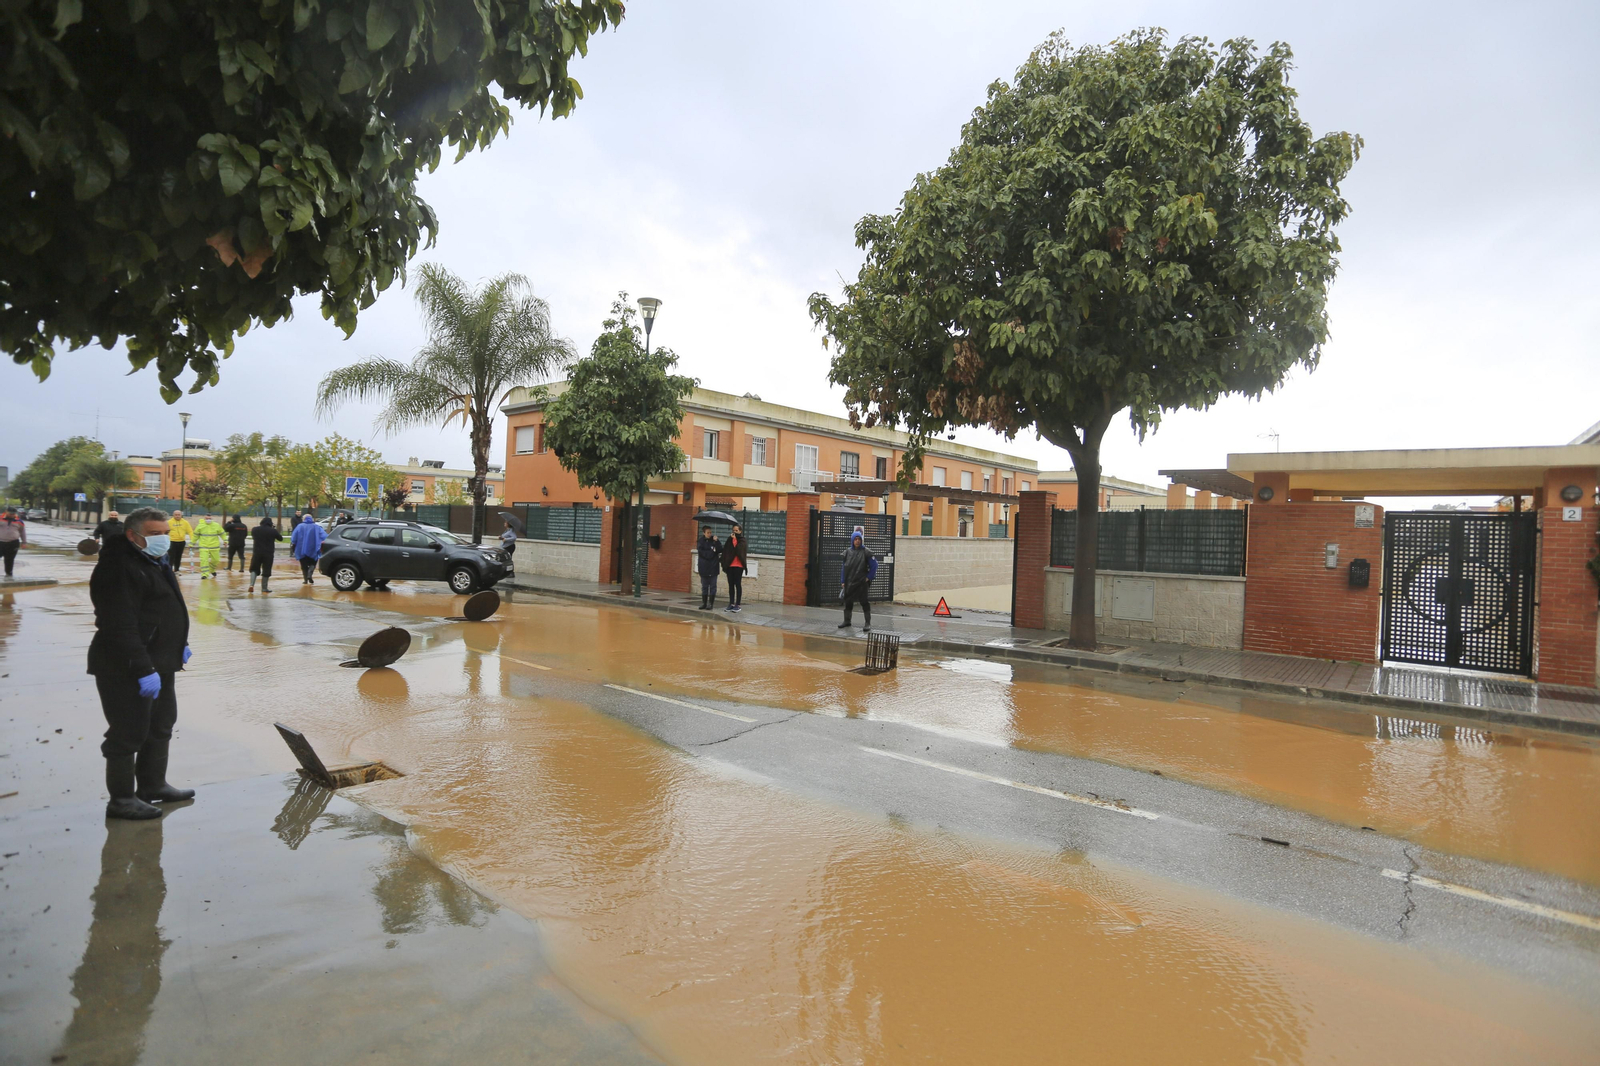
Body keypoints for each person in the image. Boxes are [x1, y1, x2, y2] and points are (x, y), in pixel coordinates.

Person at [87, 506, 194, 819]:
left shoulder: (154, 560)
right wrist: (143, 669)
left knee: (161, 725)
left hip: (160, 661)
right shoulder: (118, 567)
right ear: (132, 535)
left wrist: (179, 644)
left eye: (165, 533)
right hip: (125, 665)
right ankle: (121, 800)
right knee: (128, 731)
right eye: (154, 534)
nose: (163, 539)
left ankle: (153, 785)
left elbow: (159, 610)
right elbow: (119, 624)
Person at [838, 526, 877, 631]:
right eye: (855, 539)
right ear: (852, 540)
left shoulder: (866, 552)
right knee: (848, 602)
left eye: (859, 539)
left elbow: (874, 565)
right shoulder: (847, 552)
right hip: (849, 582)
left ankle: (867, 623)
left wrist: (869, 577)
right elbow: (844, 567)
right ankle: (847, 621)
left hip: (861, 582)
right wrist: (843, 581)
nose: (857, 541)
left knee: (864, 602)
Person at [289, 513, 327, 584]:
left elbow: (294, 538)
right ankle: (310, 574)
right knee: (313, 563)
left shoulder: (299, 526)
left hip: (301, 549)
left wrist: (293, 545)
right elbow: (324, 536)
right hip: (313, 549)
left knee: (303, 565)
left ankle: (305, 580)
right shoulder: (317, 527)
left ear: (304, 519)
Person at [248, 516, 283, 593]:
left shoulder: (255, 530)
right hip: (268, 553)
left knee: (254, 568)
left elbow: (254, 537)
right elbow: (280, 538)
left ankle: (251, 585)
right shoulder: (272, 531)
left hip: (257, 552)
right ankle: (264, 588)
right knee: (266, 570)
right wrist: (273, 529)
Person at [719, 522, 747, 612]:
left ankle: (737, 604)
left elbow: (739, 550)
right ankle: (731, 603)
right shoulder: (729, 540)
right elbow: (726, 551)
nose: (735, 532)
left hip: (738, 566)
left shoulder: (742, 540)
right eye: (733, 530)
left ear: (740, 531)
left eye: (736, 530)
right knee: (731, 585)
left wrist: (735, 540)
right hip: (730, 565)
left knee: (737, 584)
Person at [696, 525, 721, 610]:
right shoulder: (700, 542)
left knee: (713, 586)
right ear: (704, 533)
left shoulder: (714, 540)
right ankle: (704, 603)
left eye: (710, 532)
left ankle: (711, 603)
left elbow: (720, 549)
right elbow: (704, 553)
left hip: (713, 567)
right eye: (708, 533)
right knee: (704, 586)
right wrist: (712, 551)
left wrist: (716, 542)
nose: (709, 534)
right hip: (704, 567)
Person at [192, 513, 224, 579]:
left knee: (216, 560)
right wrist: (191, 543)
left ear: (212, 519)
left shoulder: (216, 525)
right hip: (204, 546)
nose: (208, 520)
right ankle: (205, 574)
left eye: (209, 519)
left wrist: (225, 540)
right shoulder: (200, 526)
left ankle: (212, 569)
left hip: (214, 547)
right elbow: (195, 536)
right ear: (204, 519)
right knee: (204, 560)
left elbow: (222, 533)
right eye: (207, 519)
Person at [0, 506, 25, 577]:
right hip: (1, 542)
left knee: (9, 559)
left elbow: (22, 532)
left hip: (13, 543)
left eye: (13, 514)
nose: (12, 515)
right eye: (10, 513)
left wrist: (24, 542)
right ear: (6, 511)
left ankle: (9, 574)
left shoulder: (19, 521)